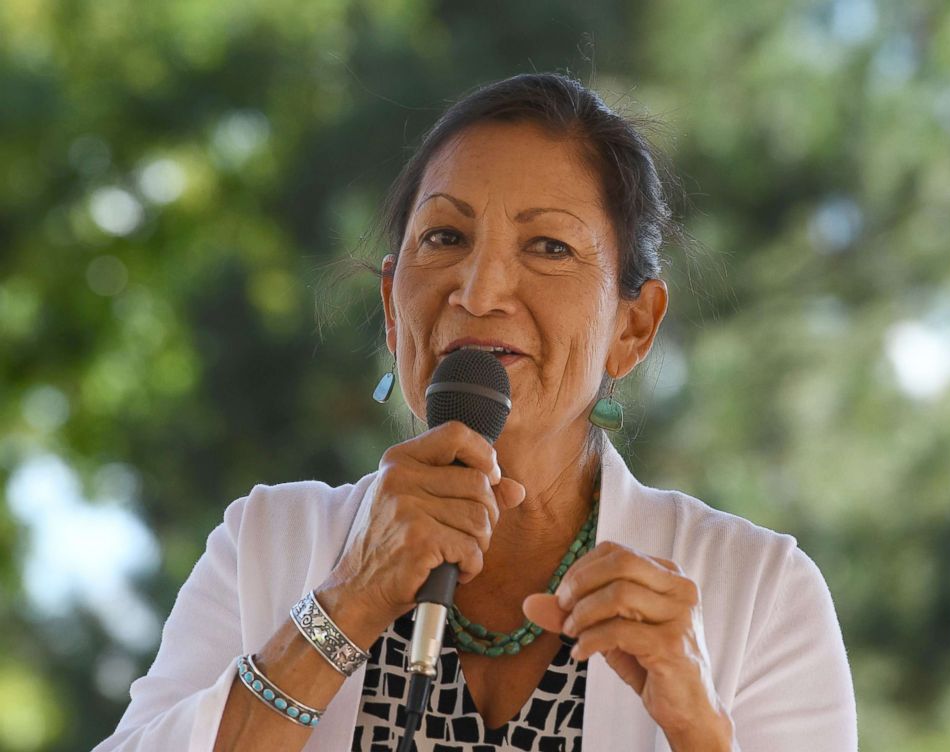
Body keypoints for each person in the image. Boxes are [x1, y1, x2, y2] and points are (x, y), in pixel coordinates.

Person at [93, 72, 857, 752]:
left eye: (549, 247)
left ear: (634, 327)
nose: (479, 291)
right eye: (446, 237)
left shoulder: (760, 592)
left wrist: (699, 733)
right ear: (393, 313)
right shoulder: (264, 544)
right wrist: (347, 603)